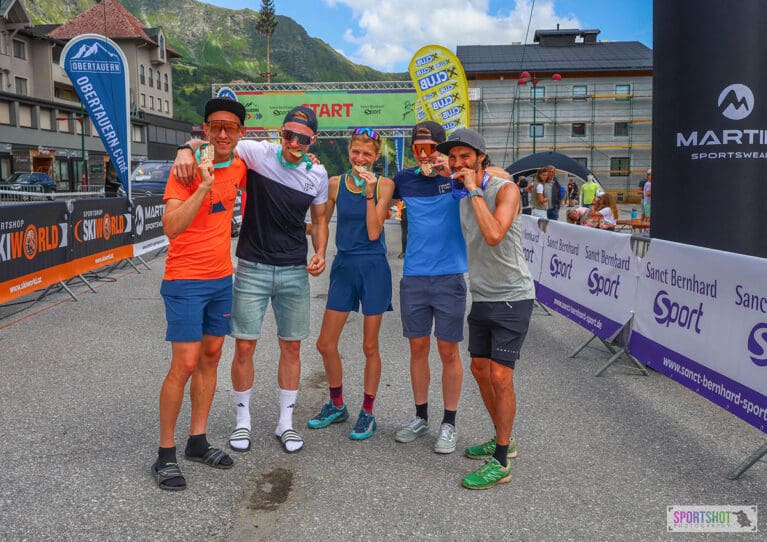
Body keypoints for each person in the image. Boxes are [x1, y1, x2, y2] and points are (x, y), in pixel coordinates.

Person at [173, 106, 329, 455]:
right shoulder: (258, 152)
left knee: (292, 346)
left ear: (313, 140)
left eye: (302, 138)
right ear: (279, 133)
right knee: (244, 346)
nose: (293, 143)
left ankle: (285, 424)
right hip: (252, 267)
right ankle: (242, 423)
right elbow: (215, 141)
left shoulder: (317, 173)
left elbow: (319, 220)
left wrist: (320, 250)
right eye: (288, 135)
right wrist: (185, 149)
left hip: (293, 270)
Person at [152, 97, 248, 491]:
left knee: (211, 357)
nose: (223, 133)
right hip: (185, 278)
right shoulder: (186, 169)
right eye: (215, 126)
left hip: (221, 278)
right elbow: (171, 227)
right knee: (186, 362)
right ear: (205, 129)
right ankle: (165, 454)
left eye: (231, 127)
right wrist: (202, 185)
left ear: (240, 133)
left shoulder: (242, 165)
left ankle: (197, 440)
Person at [436, 128, 534, 490]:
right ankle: (500, 437)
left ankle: (502, 461)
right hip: (482, 296)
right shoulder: (462, 193)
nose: (458, 163)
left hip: (513, 295)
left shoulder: (503, 190)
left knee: (500, 377)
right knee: (479, 369)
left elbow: (494, 235)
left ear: (480, 157)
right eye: (453, 158)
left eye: (465, 156)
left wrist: (475, 189)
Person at [309, 128, 395, 440]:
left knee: (370, 345)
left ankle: (368, 412)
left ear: (376, 157)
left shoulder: (385, 184)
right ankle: (336, 404)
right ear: (349, 151)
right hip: (344, 266)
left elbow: (374, 232)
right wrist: (319, 251)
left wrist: (371, 193)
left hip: (373, 266)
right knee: (325, 343)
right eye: (356, 152)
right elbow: (318, 223)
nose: (360, 159)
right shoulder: (334, 184)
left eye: (367, 155)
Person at [392, 121, 467, 454]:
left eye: (431, 147)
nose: (425, 154)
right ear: (412, 150)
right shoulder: (404, 179)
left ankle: (449, 423)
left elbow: (493, 177)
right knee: (417, 349)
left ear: (441, 149)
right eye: (418, 148)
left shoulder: (456, 179)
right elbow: (372, 193)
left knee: (448, 352)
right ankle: (420, 415)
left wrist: (449, 171)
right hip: (414, 277)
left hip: (450, 276)